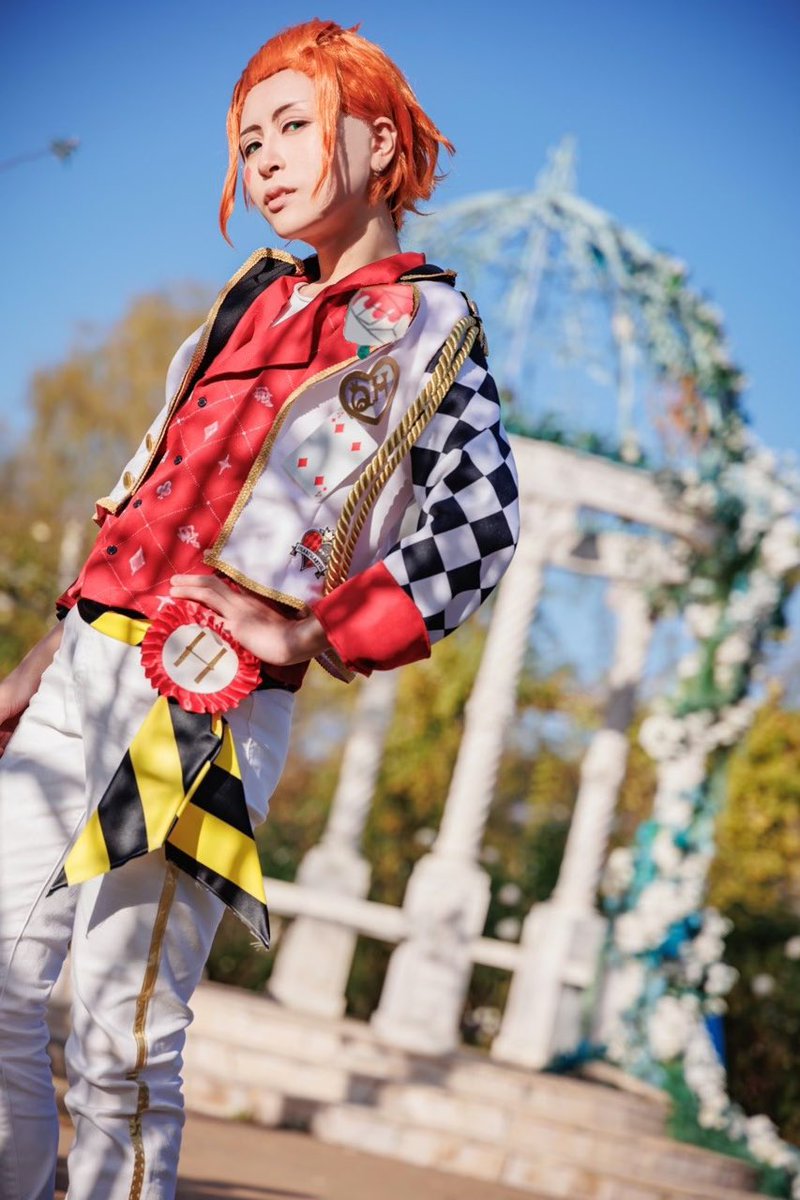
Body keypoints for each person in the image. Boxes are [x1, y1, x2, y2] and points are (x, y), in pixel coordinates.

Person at [0, 18, 519, 1199]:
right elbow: (148, 480)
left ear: (379, 143)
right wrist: (50, 646)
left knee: (121, 1029)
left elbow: (480, 526)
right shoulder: (242, 297)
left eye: (295, 125)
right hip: (85, 666)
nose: (266, 157)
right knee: (1, 982)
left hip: (201, 704)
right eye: (247, 141)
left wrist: (313, 630)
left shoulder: (433, 329)